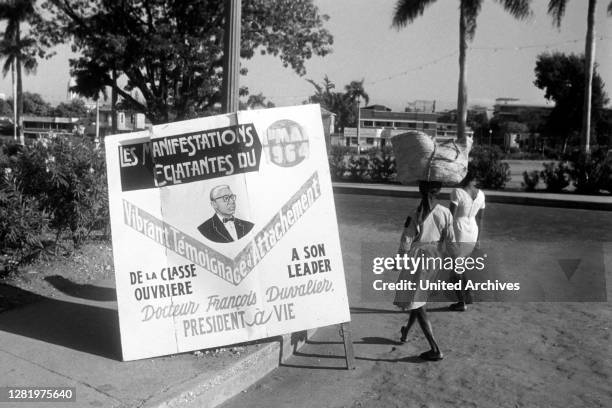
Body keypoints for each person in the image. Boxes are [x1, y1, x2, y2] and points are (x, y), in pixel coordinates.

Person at [394, 180, 456, 361]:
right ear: (438, 191)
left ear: (420, 190)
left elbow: (406, 239)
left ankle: (435, 349)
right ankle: (406, 331)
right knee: (418, 297)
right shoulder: (445, 213)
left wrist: (399, 259)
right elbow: (451, 240)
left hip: (418, 258)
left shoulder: (416, 213)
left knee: (417, 301)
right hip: (435, 257)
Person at [448, 170, 485, 312]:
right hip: (473, 231)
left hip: (459, 230)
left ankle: (461, 302)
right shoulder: (481, 194)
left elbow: (450, 216)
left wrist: (445, 236)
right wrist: (478, 239)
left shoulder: (457, 192)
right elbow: (480, 218)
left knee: (454, 271)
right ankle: (469, 294)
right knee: (460, 266)